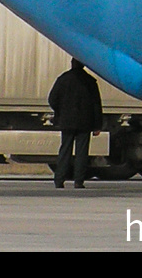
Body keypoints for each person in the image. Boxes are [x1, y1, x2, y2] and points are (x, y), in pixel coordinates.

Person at [48, 57, 103, 189]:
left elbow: (52, 99)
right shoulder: (90, 81)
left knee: (65, 150)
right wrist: (97, 125)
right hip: (85, 122)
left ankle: (59, 180)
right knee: (82, 153)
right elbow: (96, 105)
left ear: (71, 64)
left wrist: (59, 112)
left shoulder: (63, 79)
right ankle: (79, 181)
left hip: (66, 121)